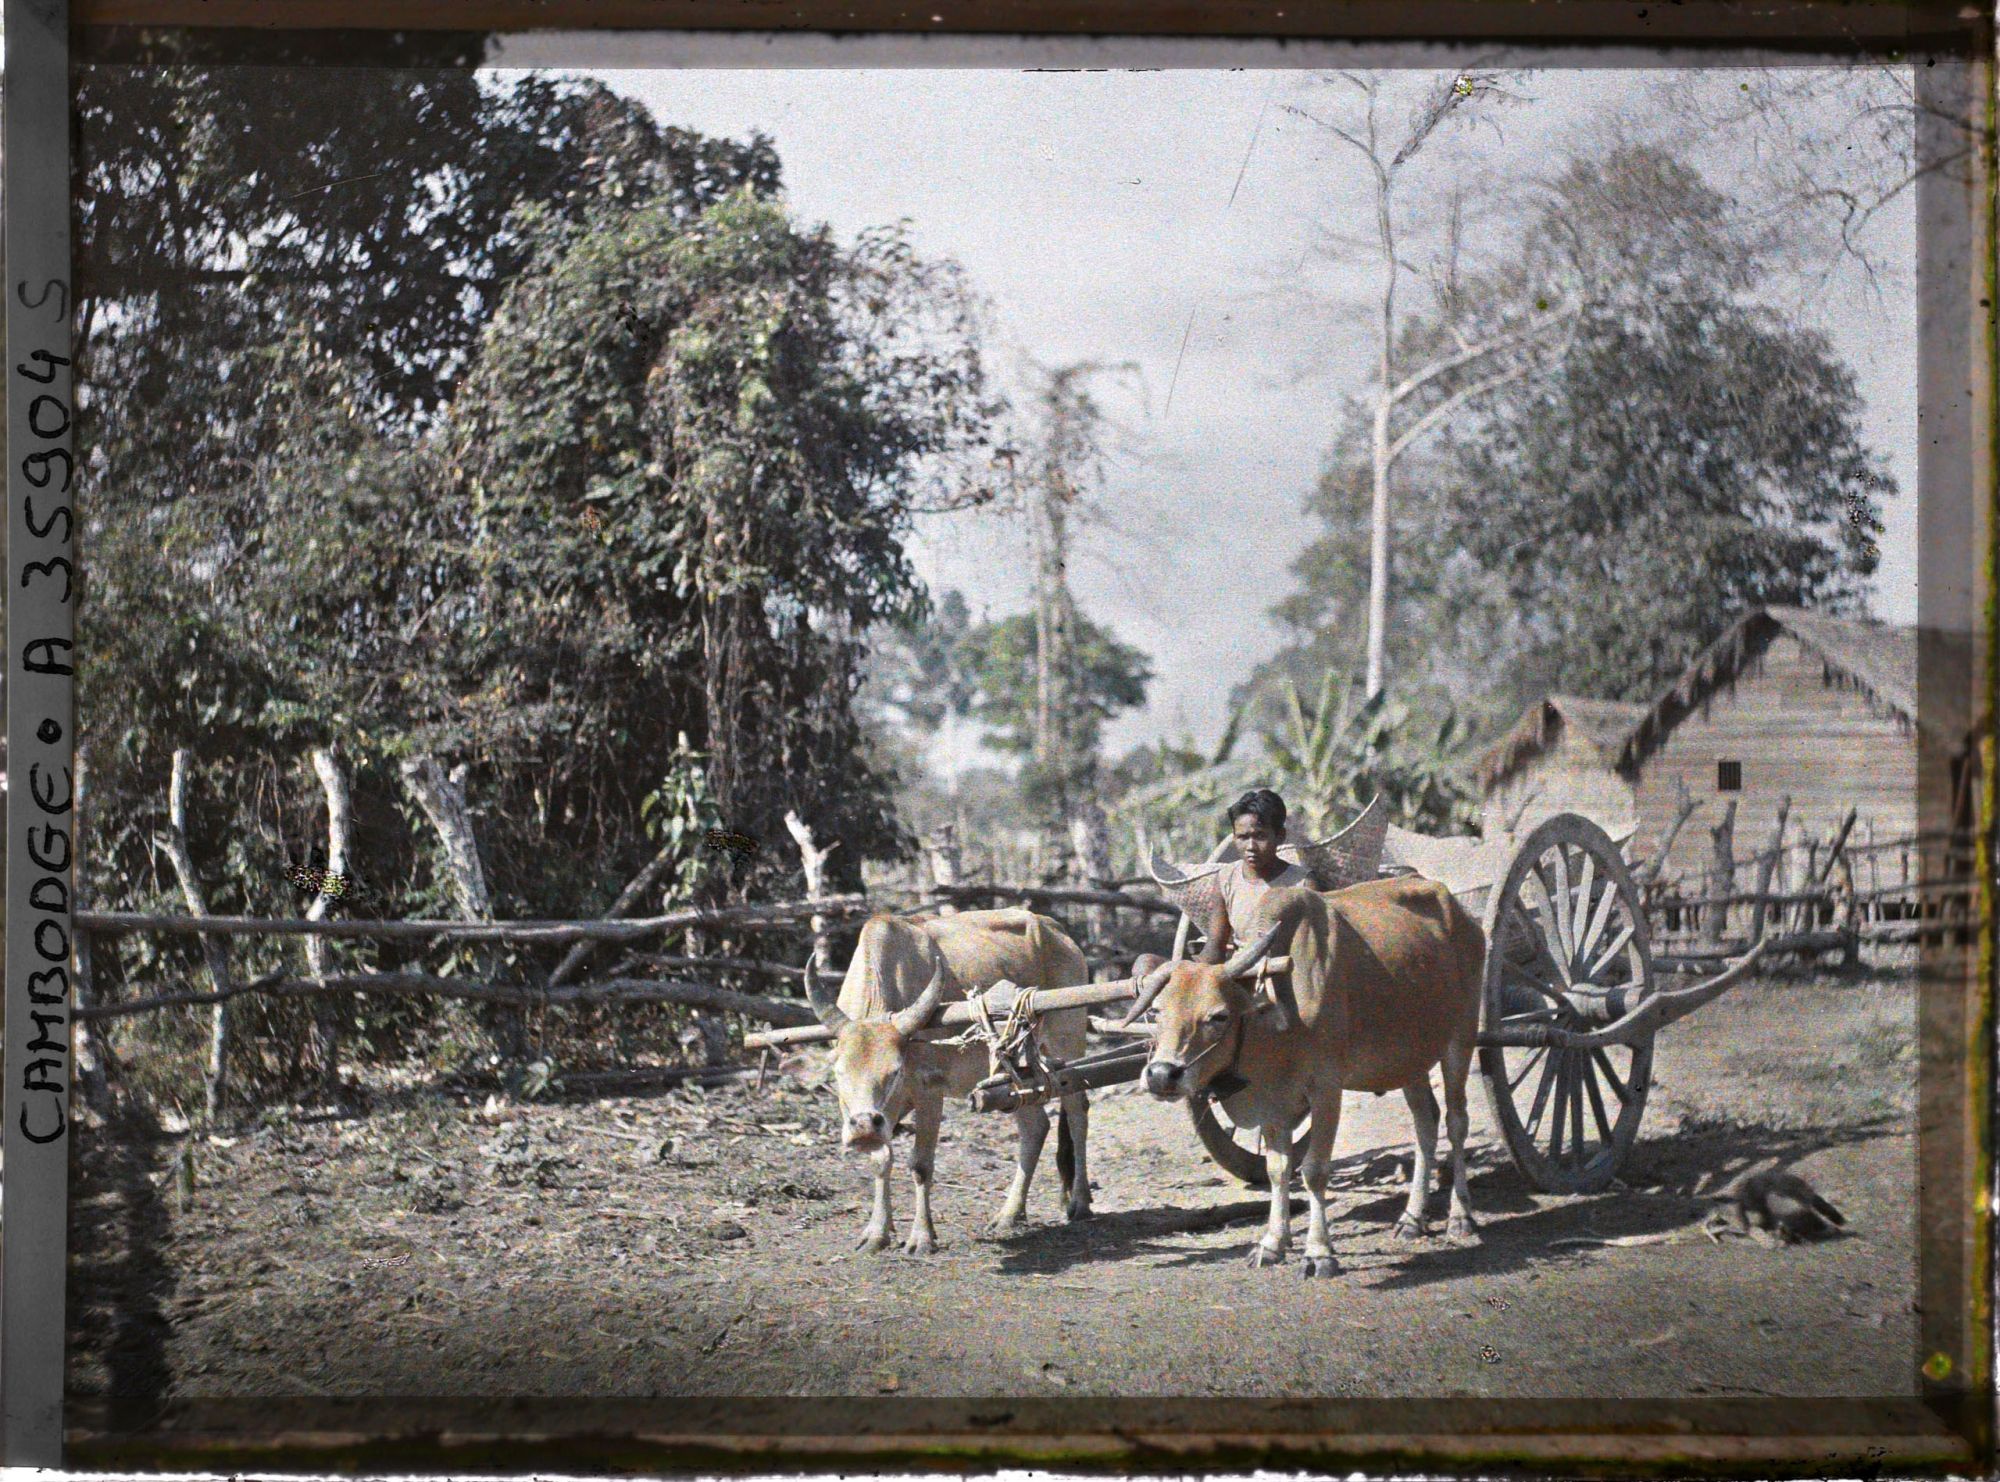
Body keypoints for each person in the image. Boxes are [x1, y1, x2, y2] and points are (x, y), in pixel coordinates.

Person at [1199, 788, 1312, 965]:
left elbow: (1315, 950)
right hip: (1240, 977)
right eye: (1243, 837)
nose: (1250, 846)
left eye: (1260, 836)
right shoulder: (1226, 879)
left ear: (1280, 836)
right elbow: (1216, 945)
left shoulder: (1304, 884)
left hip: (1288, 976)